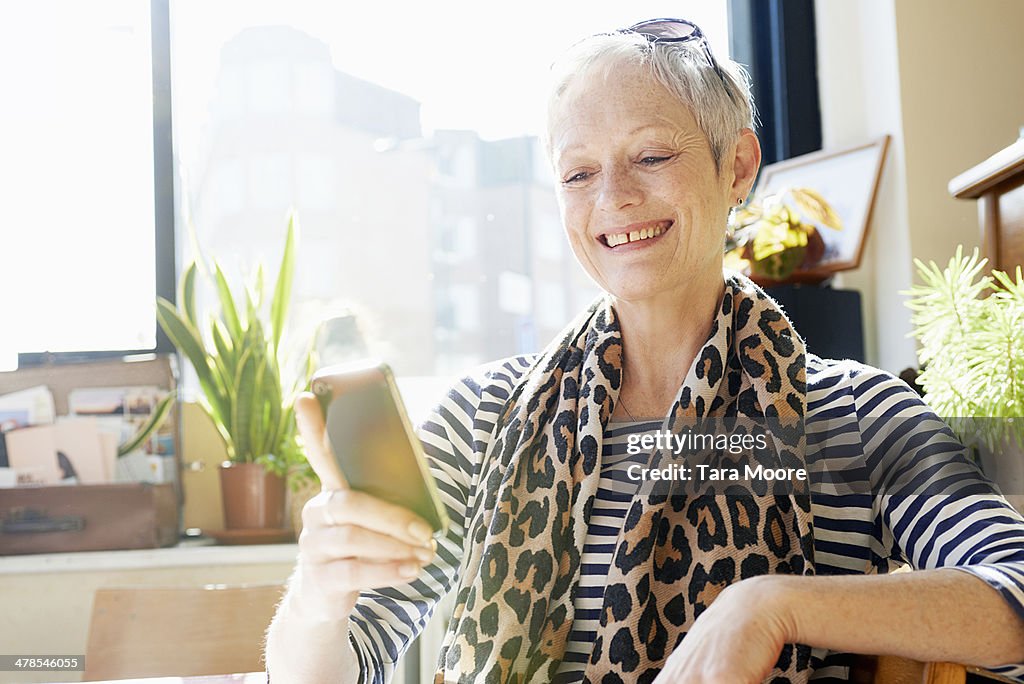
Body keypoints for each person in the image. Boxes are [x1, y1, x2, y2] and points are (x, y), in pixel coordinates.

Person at [265, 18, 1024, 683]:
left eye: (651, 157)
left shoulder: (859, 418)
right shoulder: (480, 421)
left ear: (737, 167)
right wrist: (319, 593)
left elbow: (1015, 594)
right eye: (579, 173)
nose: (613, 200)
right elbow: (335, 669)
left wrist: (768, 606)